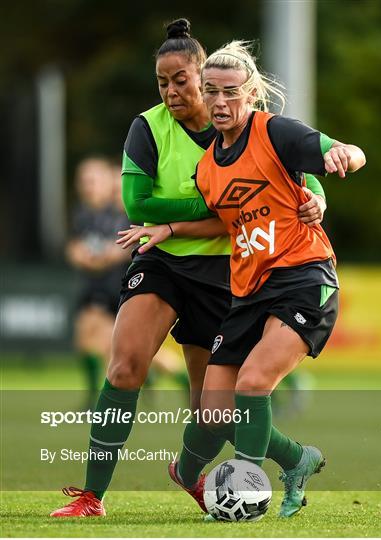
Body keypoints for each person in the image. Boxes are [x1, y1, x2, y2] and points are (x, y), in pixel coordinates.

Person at [50, 20, 328, 518]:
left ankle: (286, 459)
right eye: (162, 82)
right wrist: (219, 206)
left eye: (181, 80)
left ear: (206, 76)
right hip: (163, 260)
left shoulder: (253, 126)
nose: (172, 91)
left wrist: (315, 204)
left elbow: (305, 182)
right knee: (125, 366)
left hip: (228, 272)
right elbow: (138, 205)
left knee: (215, 413)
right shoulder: (149, 126)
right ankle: (92, 496)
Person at [120, 39, 365, 518]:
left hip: (303, 276)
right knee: (212, 411)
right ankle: (291, 460)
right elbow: (223, 219)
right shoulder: (209, 166)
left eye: (230, 92)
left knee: (252, 384)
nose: (219, 102)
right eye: (211, 92)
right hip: (249, 291)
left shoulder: (275, 132)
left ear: (251, 94)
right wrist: (169, 228)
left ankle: (245, 488)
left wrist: (345, 157)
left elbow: (343, 150)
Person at [66, 157, 130, 410]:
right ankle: (98, 400)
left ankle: (103, 403)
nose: (87, 186)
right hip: (94, 286)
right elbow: (73, 247)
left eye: (93, 180)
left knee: (105, 347)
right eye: (83, 180)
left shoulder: (119, 214)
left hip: (116, 286)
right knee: (88, 341)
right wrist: (82, 255)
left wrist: (98, 258)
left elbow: (122, 249)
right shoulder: (83, 214)